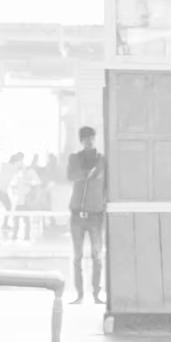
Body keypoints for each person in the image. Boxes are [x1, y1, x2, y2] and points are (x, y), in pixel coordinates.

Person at [68, 125, 107, 303]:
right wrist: (89, 174)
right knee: (77, 257)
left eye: (91, 138)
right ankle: (79, 294)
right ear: (81, 141)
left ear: (94, 139)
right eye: (85, 138)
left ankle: (96, 294)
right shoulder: (75, 158)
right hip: (77, 215)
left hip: (96, 215)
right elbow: (71, 175)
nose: (89, 141)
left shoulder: (102, 160)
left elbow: (106, 183)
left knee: (97, 256)